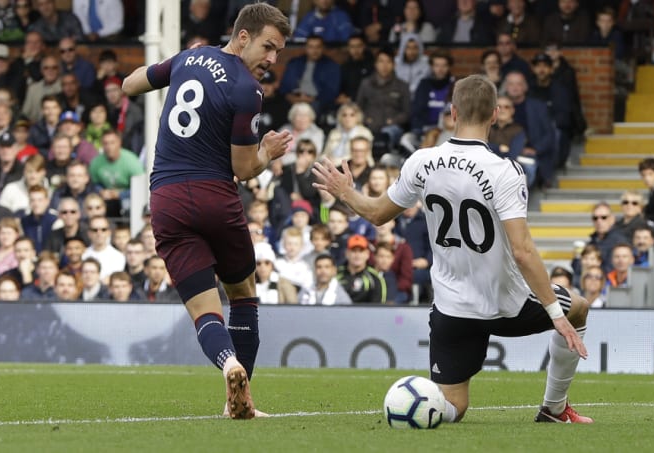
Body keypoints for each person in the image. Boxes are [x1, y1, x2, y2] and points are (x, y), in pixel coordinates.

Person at [314, 74, 592, 424]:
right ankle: (553, 409)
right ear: (494, 115)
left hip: (452, 308)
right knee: (577, 308)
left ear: (452, 112)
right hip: (508, 303)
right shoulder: (506, 171)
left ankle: (410, 407)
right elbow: (522, 251)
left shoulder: (421, 161)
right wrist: (556, 316)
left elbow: (376, 214)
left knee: (453, 408)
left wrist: (346, 193)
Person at [121, 2, 291, 420]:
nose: (271, 60)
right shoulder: (246, 90)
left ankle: (227, 363)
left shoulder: (187, 57)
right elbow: (243, 168)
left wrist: (177, 67)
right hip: (214, 195)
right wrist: (267, 151)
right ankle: (242, 398)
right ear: (244, 36)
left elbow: (129, 85)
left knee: (203, 309)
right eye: (268, 47)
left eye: (278, 53)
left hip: (166, 200)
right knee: (243, 296)